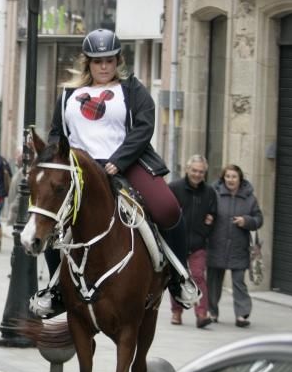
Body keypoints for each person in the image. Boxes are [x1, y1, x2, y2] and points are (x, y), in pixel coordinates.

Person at [32, 28, 201, 318]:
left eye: (109, 60)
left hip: (126, 162)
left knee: (168, 208)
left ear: (117, 60)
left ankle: (178, 277)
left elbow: (144, 128)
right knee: (51, 220)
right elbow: (57, 134)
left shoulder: (133, 89)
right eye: (97, 61)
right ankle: (56, 288)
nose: (104, 66)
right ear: (87, 62)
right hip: (78, 170)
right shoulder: (68, 95)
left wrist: (119, 160)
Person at [206, 164, 263, 328]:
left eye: (234, 177)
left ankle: (242, 315)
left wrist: (246, 221)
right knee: (213, 282)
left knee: (239, 282)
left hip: (239, 247)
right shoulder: (214, 194)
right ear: (224, 178)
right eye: (228, 176)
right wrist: (208, 218)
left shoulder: (249, 198)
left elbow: (259, 219)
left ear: (240, 179)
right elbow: (206, 212)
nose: (231, 180)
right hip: (216, 244)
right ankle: (213, 312)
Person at [168, 155, 218, 328]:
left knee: (198, 276)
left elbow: (213, 215)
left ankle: (202, 314)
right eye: (194, 171)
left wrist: (204, 232)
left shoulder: (210, 192)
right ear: (187, 170)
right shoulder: (174, 188)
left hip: (198, 243)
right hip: (177, 241)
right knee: (178, 278)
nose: (197, 174)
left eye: (201, 172)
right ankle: (176, 312)